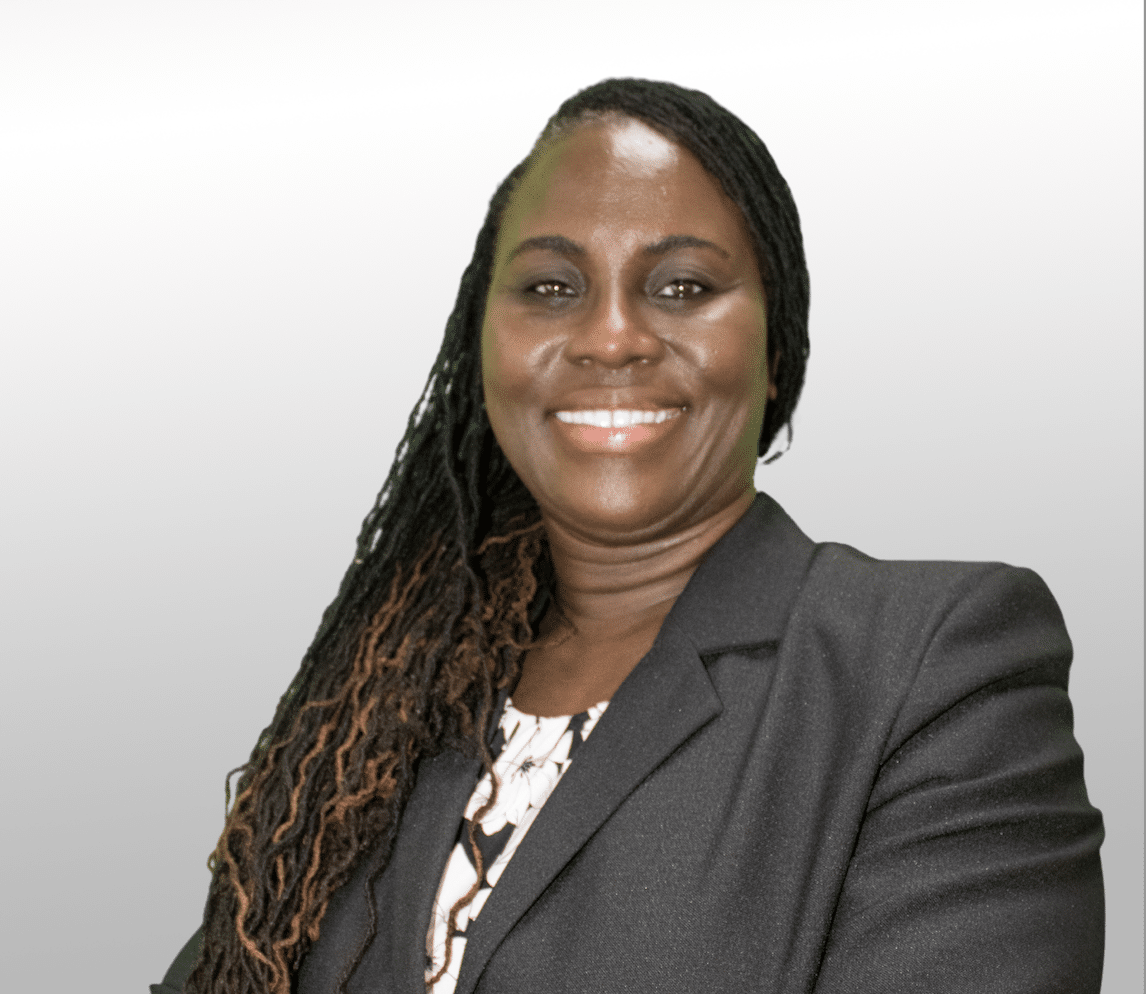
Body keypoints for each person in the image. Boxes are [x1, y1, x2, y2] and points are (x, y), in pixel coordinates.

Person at [152, 78, 1104, 994]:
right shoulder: (383, 709)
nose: (611, 337)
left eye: (683, 286)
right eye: (553, 287)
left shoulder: (929, 663)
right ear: (483, 352)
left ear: (775, 351)